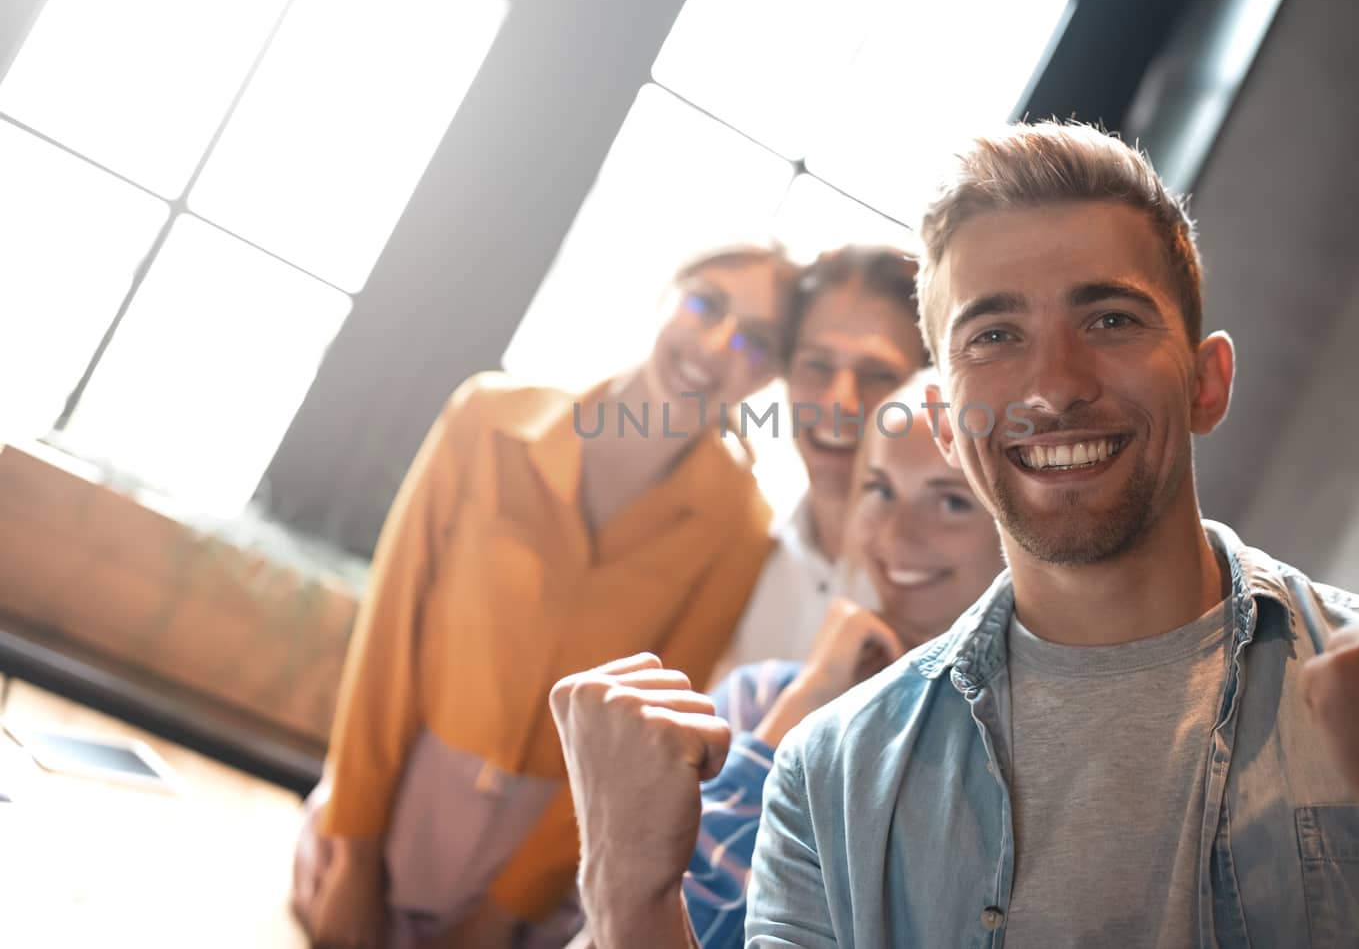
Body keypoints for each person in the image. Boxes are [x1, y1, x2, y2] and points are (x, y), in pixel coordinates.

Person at [569, 122, 1359, 948]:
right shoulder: (831, 772)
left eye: (1109, 319)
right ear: (949, 414)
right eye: (994, 335)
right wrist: (621, 893)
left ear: (1207, 380)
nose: (1054, 386)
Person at [293, 243, 797, 949]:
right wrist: (355, 848)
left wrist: (501, 912)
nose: (716, 345)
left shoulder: (741, 529)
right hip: (388, 805)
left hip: (547, 862)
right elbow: (388, 635)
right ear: (667, 293)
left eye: (755, 340)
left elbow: (644, 738)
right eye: (706, 303)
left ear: (770, 374)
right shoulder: (486, 419)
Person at [546, 376, 1006, 949]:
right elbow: (619, 929)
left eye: (951, 501)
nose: (895, 533)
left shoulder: (998, 766)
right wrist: (801, 707)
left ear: (1009, 521)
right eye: (880, 489)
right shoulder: (763, 697)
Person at [715, 246, 927, 670]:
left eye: (878, 375)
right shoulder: (740, 557)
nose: (839, 402)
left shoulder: (951, 581)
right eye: (816, 365)